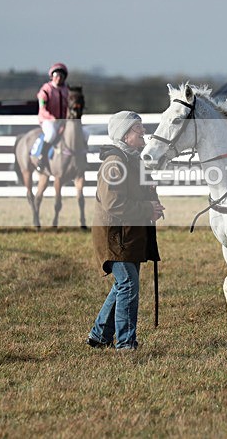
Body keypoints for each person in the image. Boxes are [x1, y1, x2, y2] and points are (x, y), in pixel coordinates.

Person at [88, 111, 164, 350]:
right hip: (115, 236)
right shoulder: (115, 163)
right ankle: (125, 343)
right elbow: (114, 203)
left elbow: (141, 192)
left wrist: (152, 199)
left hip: (129, 235)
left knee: (124, 285)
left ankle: (100, 335)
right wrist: (146, 208)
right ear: (124, 134)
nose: (143, 134)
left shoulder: (133, 161)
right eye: (137, 130)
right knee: (128, 284)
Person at [35, 62, 70, 172]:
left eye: (61, 76)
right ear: (52, 76)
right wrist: (52, 118)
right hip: (48, 120)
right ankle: (42, 156)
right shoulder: (45, 89)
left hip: (63, 121)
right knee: (51, 135)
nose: (59, 78)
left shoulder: (67, 90)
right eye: (56, 76)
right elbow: (42, 108)